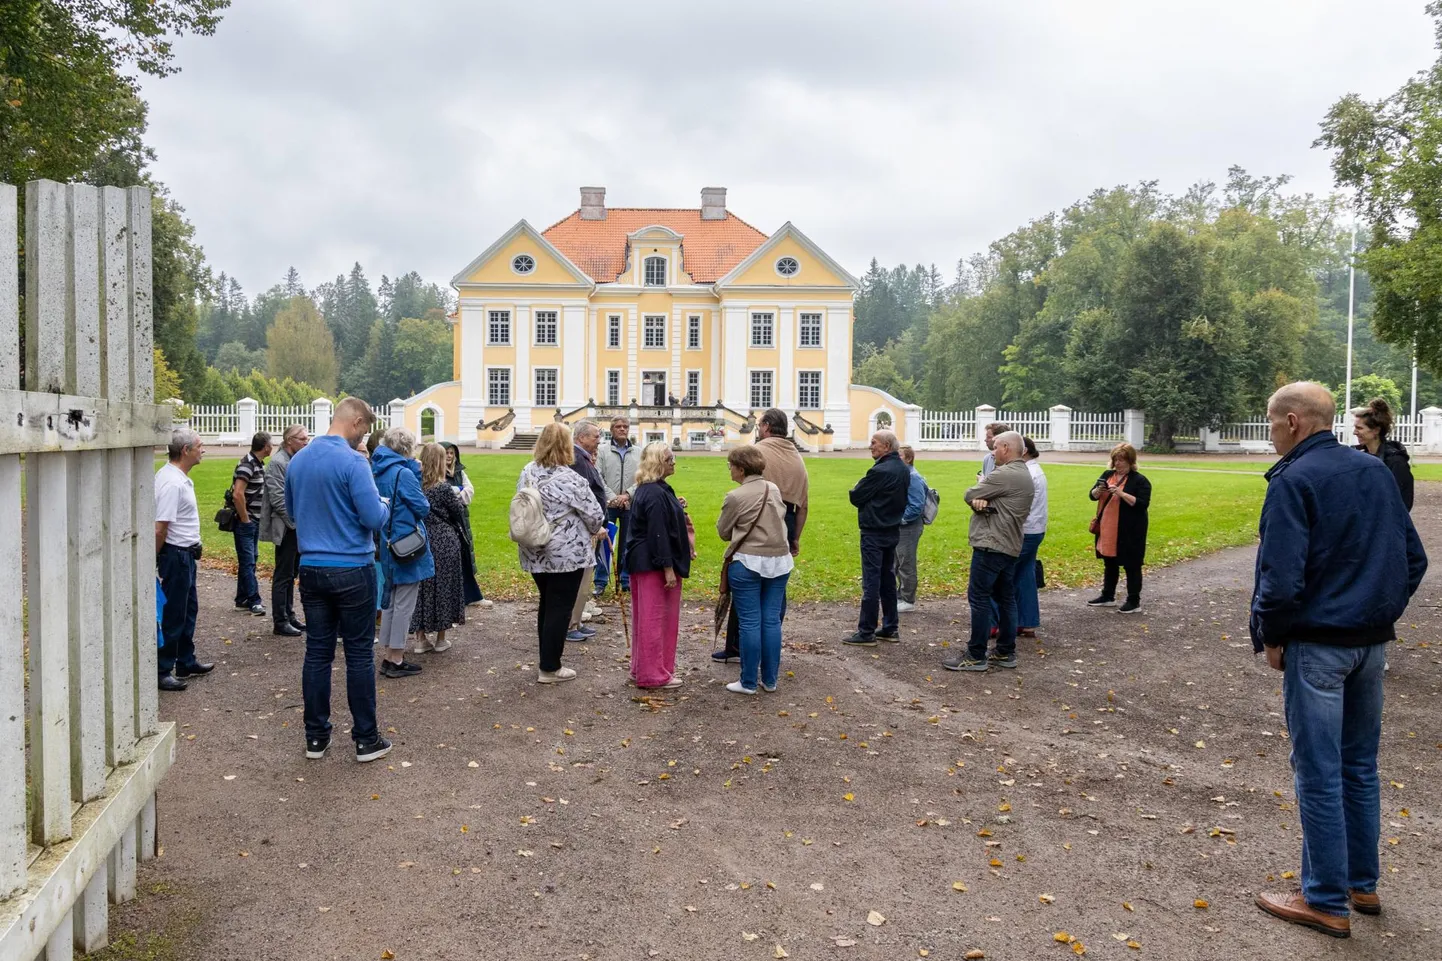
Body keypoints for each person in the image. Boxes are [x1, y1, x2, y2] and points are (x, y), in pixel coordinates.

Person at [1251, 382, 1427, 938]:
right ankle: (1360, 882)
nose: (1271, 432)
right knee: (1358, 766)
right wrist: (1377, 611)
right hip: (1369, 644)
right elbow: (1412, 557)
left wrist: (1273, 635)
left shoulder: (1294, 479)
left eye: (1273, 423)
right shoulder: (1375, 471)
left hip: (1320, 644)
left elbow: (1280, 577)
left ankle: (1325, 898)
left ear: (1296, 421)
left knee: (1320, 771)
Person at [284, 397, 392, 762]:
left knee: (317, 652)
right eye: (365, 429)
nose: (364, 436)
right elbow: (373, 518)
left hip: (312, 565)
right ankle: (366, 738)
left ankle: (316, 736)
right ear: (357, 421)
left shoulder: (298, 461)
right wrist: (385, 504)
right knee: (359, 654)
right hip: (351, 567)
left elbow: (293, 511)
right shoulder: (353, 462)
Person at [714, 408, 810, 665]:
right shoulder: (797, 456)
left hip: (759, 514)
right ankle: (768, 646)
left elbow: (750, 490)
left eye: (759, 424)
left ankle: (738, 646)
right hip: (786, 519)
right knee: (775, 587)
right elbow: (804, 504)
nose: (757, 428)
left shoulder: (758, 451)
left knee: (745, 582)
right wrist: (795, 537)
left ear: (766, 426)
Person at [517, 422, 605, 683]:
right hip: (565, 553)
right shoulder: (571, 479)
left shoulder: (528, 472)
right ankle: (550, 666)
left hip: (534, 547)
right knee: (559, 607)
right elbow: (595, 516)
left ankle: (547, 658)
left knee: (547, 603)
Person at [943, 431, 1035, 672]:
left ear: (1006, 447)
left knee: (979, 597)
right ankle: (1005, 651)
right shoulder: (1022, 472)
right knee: (1006, 598)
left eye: (995, 447)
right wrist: (983, 503)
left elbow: (970, 493)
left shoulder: (1005, 474)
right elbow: (981, 499)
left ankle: (976, 655)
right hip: (1009, 544)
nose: (992, 452)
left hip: (992, 544)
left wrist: (980, 499)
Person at [717, 445, 793, 695]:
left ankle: (749, 681)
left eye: (730, 465)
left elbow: (723, 531)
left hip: (748, 560)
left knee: (750, 622)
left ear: (740, 468)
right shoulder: (774, 489)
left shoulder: (735, 496)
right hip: (778, 559)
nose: (729, 469)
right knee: (771, 621)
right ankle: (770, 680)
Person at [626, 441, 691, 688]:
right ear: (658, 463)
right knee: (656, 619)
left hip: (643, 560)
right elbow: (657, 532)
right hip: (652, 563)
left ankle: (642, 668)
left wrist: (677, 505)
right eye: (669, 459)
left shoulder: (652, 489)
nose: (674, 462)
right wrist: (668, 568)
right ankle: (653, 673)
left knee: (647, 618)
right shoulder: (653, 492)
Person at [155, 428, 213, 692]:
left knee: (189, 610)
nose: (203, 450)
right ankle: (162, 668)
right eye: (199, 446)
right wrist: (154, 558)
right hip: (176, 555)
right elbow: (160, 527)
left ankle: (185, 660)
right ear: (185, 450)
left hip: (186, 554)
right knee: (174, 613)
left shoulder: (177, 478)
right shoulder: (171, 483)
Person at [371, 427, 431, 678]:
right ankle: (395, 657)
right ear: (407, 448)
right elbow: (423, 506)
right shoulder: (403, 473)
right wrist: (415, 473)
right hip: (406, 544)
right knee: (404, 603)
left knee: (392, 601)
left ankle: (389, 655)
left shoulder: (377, 469)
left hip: (386, 542)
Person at [841, 430, 910, 648]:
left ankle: (866, 631)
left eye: (874, 443)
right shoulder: (901, 468)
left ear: (886, 447)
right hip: (892, 529)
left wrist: (861, 494)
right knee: (887, 580)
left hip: (874, 530)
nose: (870, 446)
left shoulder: (879, 471)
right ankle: (890, 627)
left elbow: (856, 495)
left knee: (871, 582)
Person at [409, 443, 467, 653]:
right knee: (444, 585)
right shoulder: (443, 488)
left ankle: (420, 637)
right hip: (443, 537)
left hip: (421, 538)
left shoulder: (415, 485)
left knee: (422, 586)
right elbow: (458, 510)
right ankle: (441, 637)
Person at [1086, 443, 1151, 614]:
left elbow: (1142, 504)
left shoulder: (1140, 480)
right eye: (1116, 459)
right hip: (1108, 527)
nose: (1118, 463)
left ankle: (1134, 600)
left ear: (1130, 461)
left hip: (1130, 530)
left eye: (1122, 460)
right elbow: (1091, 496)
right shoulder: (1108, 475)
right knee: (1110, 562)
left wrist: (1121, 494)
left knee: (1132, 565)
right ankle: (1108, 596)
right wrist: (1098, 491)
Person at [260, 424, 309, 637]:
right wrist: (295, 525)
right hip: (287, 527)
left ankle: (289, 615)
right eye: (302, 439)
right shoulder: (278, 463)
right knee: (283, 574)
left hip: (295, 526)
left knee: (291, 573)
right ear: (289, 440)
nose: (306, 443)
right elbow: (279, 499)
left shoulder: (292, 461)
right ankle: (280, 620)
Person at [566, 420, 609, 642]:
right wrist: (594, 525)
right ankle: (571, 624)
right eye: (595, 436)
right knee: (581, 580)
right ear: (581, 438)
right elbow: (582, 498)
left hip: (591, 528)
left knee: (584, 580)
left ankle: (576, 622)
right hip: (586, 530)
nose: (598, 440)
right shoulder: (578, 459)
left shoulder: (582, 458)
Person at [230, 431, 273, 617]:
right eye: (271, 443)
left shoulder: (255, 463)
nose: (272, 446)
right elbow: (237, 493)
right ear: (265, 446)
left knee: (250, 559)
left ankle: (242, 599)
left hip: (253, 520)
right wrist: (245, 518)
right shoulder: (248, 465)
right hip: (247, 522)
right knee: (248, 561)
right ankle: (254, 601)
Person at [596, 417, 639, 595]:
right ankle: (600, 581)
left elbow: (643, 477)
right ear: (611, 429)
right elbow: (598, 477)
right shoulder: (603, 451)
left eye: (625, 427)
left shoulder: (638, 452)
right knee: (605, 542)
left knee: (628, 544)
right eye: (618, 427)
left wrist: (628, 494)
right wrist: (613, 497)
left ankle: (625, 579)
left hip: (630, 504)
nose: (622, 429)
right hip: (609, 505)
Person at [1012, 436, 1048, 638]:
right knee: (1025, 576)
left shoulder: (1028, 472)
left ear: (1023, 451)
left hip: (1025, 530)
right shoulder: (1036, 470)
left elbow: (1020, 504)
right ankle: (1028, 622)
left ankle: (1004, 621)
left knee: (1007, 574)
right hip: (1035, 528)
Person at [440, 440, 484, 605]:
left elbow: (469, 492)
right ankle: (453, 597)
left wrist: (456, 492)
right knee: (452, 557)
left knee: (465, 555)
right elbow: (444, 494)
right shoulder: (437, 473)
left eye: (452, 453)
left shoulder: (459, 472)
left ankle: (471, 595)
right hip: (448, 520)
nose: (449, 456)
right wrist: (458, 491)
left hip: (462, 519)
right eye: (446, 453)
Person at [1352, 398, 1414, 511]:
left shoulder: (1396, 462)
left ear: (1376, 430)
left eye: (1359, 428)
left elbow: (1403, 503)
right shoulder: (1358, 457)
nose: (1354, 432)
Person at [894, 445, 928, 614]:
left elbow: (916, 506)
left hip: (908, 527)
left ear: (908, 459)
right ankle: (900, 596)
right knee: (897, 562)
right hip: (901, 525)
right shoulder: (904, 475)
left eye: (899, 455)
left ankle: (908, 599)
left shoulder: (913, 477)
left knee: (906, 562)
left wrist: (898, 520)